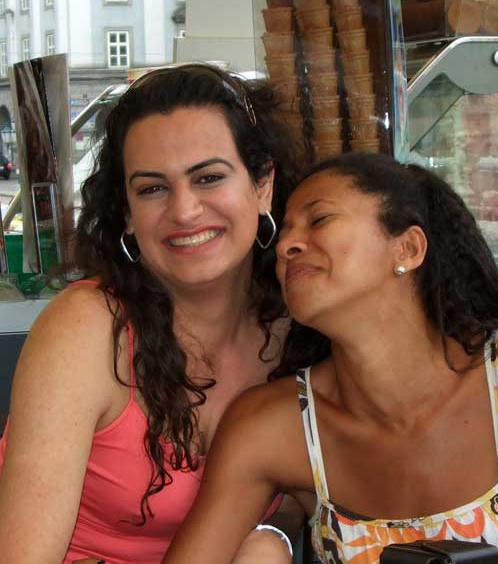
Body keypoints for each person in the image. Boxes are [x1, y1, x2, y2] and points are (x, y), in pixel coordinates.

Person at [165, 152, 498, 564]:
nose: (286, 247)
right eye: (284, 234)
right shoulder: (271, 425)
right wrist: (269, 544)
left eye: (318, 219)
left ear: (408, 249)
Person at [0, 63, 305, 564]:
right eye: (152, 189)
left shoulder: (299, 324)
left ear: (262, 186)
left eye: (209, 177)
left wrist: (274, 537)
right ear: (126, 212)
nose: (184, 211)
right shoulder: (88, 329)